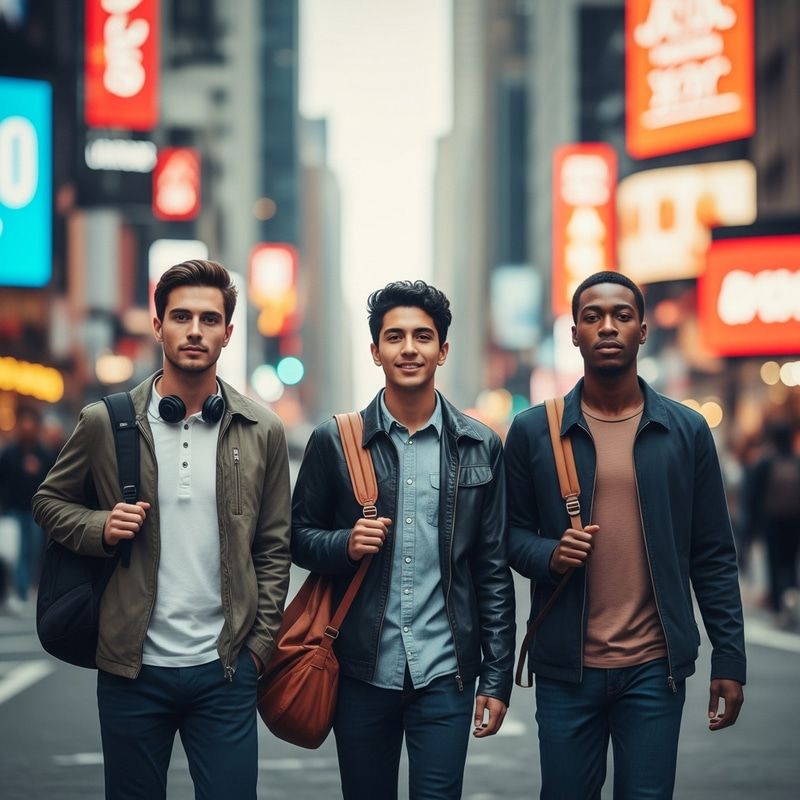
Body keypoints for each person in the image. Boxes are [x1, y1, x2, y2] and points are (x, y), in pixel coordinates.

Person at [33, 259, 292, 800]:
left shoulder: (261, 428)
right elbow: (48, 502)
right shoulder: (107, 421)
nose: (194, 330)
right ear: (158, 326)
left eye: (208, 319)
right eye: (180, 317)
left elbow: (273, 547)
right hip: (132, 670)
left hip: (225, 671)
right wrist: (100, 526)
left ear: (227, 332)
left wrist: (258, 649)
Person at [504, 271, 746, 800]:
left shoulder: (686, 431)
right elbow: (509, 536)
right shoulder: (532, 431)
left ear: (641, 330)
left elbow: (713, 556)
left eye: (621, 315)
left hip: (655, 670)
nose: (607, 326)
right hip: (567, 670)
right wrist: (550, 553)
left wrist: (729, 659)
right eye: (592, 317)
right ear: (574, 334)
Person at [290, 280, 516, 800]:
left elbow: (492, 569)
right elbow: (297, 538)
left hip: (446, 674)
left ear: (443, 349)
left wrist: (497, 677)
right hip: (360, 671)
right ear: (375, 351)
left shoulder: (481, 446)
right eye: (394, 337)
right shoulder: (334, 441)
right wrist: (344, 544)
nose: (409, 348)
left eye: (423, 336)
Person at [742, 420, 800, 628]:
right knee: (792, 564)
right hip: (795, 523)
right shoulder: (796, 461)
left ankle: (778, 609)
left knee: (775, 565)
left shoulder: (766, 462)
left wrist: (751, 531)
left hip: (772, 522)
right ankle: (792, 602)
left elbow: (752, 497)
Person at [0, 405, 56, 611]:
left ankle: (27, 589)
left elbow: (52, 481)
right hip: (14, 510)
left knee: (33, 552)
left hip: (36, 512)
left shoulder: (44, 454)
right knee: (18, 551)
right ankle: (21, 592)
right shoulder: (10, 453)